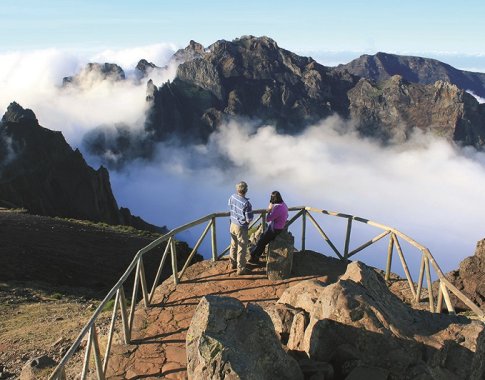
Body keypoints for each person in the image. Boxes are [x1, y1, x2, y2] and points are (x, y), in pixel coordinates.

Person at [249, 191, 288, 264]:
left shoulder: (278, 208)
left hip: (275, 229)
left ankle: (254, 257)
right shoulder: (284, 204)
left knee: (261, 241)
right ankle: (254, 254)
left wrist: (269, 210)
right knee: (262, 238)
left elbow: (268, 219)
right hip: (279, 227)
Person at [228, 181, 254, 275]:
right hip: (241, 227)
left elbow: (230, 207)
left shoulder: (232, 197)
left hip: (232, 225)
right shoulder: (246, 204)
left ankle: (232, 264)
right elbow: (248, 219)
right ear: (246, 190)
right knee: (242, 248)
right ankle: (241, 269)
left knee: (233, 244)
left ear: (237, 189)